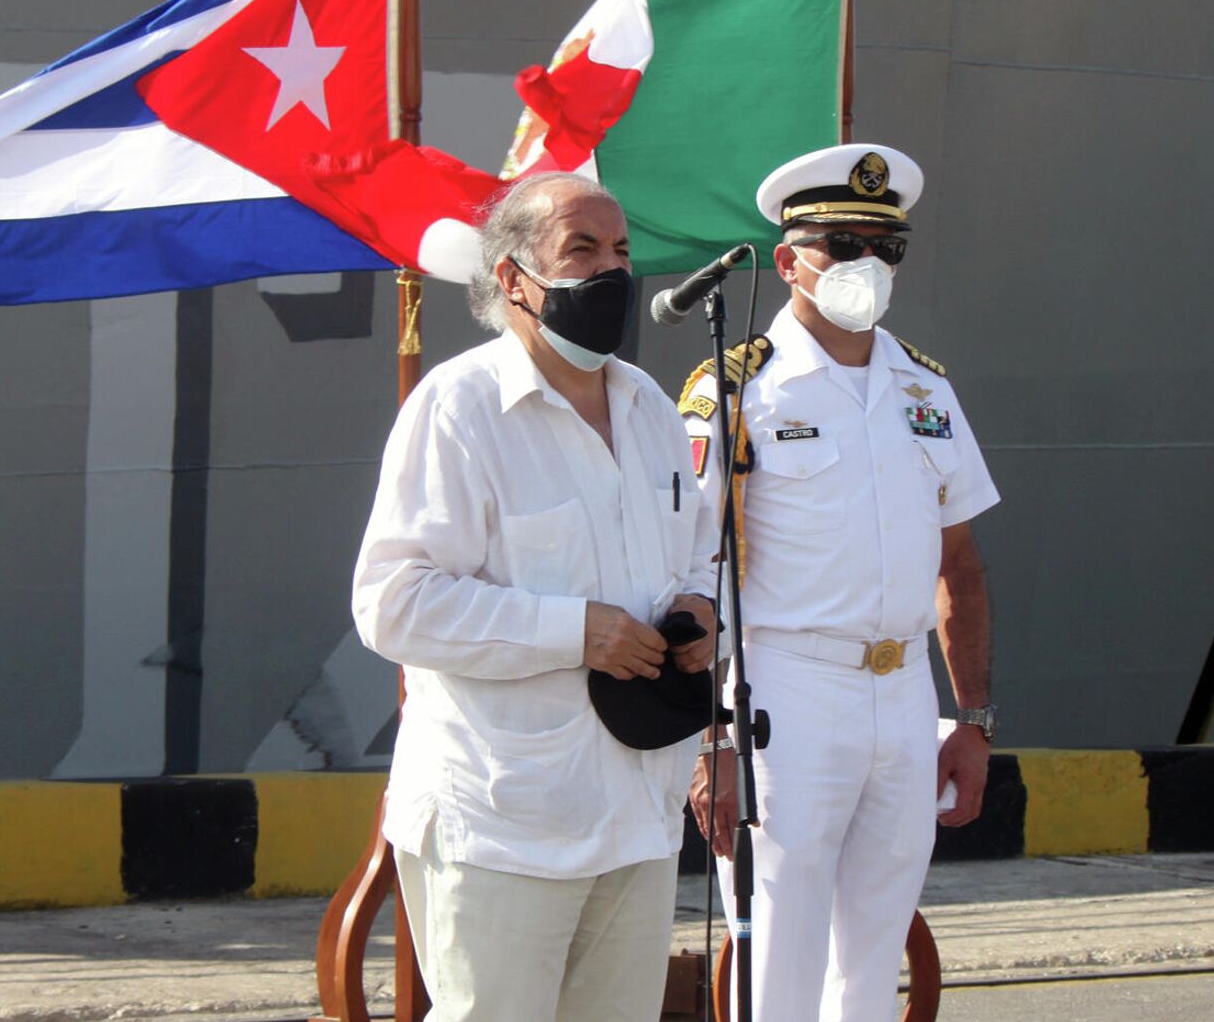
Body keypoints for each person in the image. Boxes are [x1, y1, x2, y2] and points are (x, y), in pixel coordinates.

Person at [353, 172, 719, 1021]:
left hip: (637, 806)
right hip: (503, 817)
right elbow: (393, 601)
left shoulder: (651, 409)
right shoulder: (460, 406)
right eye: (581, 250)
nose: (611, 272)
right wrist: (574, 632)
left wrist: (701, 614)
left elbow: (698, 556)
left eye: (622, 251)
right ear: (514, 278)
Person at [681, 143, 999, 1021]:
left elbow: (959, 569)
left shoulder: (923, 387)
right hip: (787, 692)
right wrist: (709, 738)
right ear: (789, 262)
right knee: (778, 954)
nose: (869, 266)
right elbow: (687, 574)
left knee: (872, 958)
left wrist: (971, 720)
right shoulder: (738, 389)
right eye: (845, 246)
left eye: (886, 248)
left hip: (903, 700)